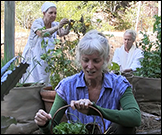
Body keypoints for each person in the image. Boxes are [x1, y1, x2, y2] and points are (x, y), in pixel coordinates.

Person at [34, 29, 141, 134]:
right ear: (80, 59)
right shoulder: (67, 86)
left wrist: (96, 110)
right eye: (85, 60)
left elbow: (135, 117)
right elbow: (52, 126)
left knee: (126, 126)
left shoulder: (118, 83)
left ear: (106, 60)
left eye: (96, 61)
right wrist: (43, 124)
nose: (90, 66)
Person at [20, 2, 71, 85]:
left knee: (45, 79)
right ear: (44, 13)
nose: (53, 15)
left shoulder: (54, 24)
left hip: (46, 57)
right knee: (33, 80)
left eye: (55, 13)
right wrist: (58, 27)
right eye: (51, 13)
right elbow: (42, 33)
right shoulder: (37, 23)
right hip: (34, 57)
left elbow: (63, 33)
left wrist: (69, 25)